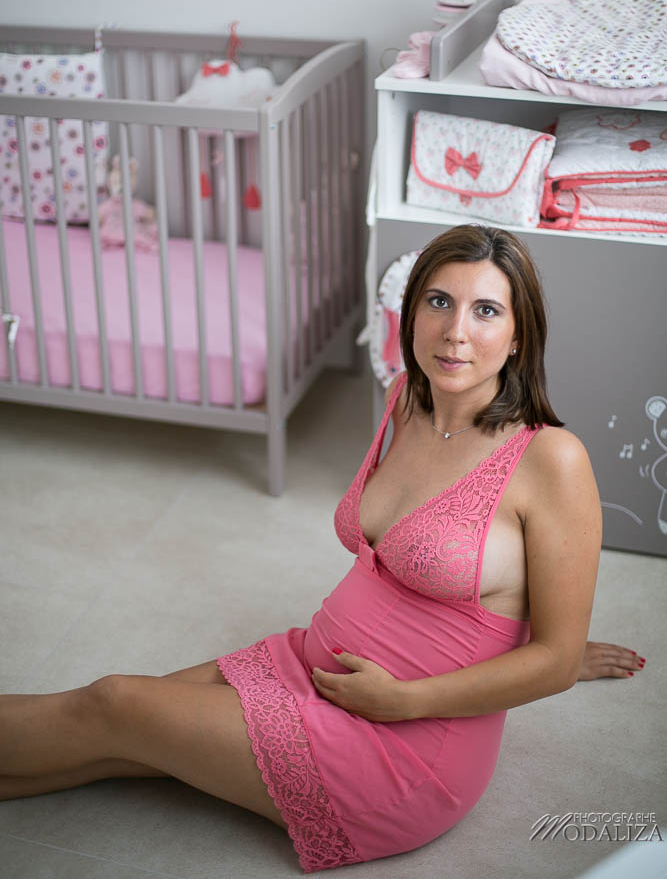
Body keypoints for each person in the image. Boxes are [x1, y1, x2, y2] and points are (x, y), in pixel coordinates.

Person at [0, 225, 647, 873]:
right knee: (113, 741)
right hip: (307, 663)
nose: (455, 332)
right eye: (439, 301)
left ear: (518, 335)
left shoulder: (551, 459)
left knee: (114, 704)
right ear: (412, 311)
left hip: (402, 744)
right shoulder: (405, 399)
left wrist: (414, 698)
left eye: (485, 311)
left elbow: (554, 661)